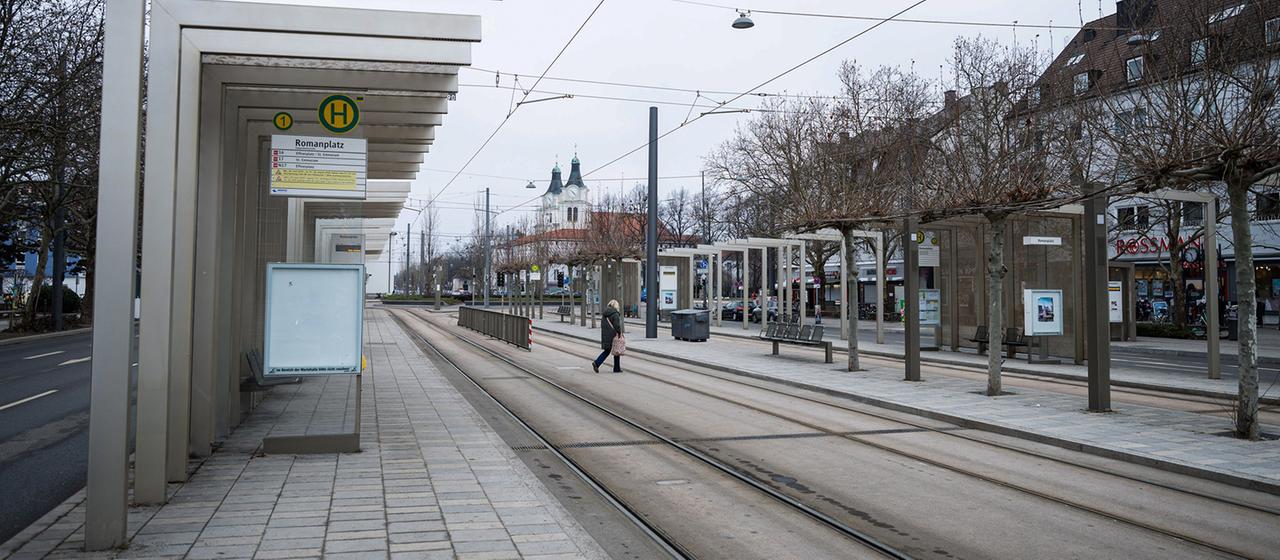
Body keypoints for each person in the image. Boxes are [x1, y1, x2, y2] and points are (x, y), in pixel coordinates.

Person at [593, 299, 624, 373]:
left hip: (606, 335)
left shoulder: (605, 314)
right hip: (613, 335)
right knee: (614, 350)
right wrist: (620, 333)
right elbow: (617, 326)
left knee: (612, 350)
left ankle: (616, 368)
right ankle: (597, 363)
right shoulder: (615, 314)